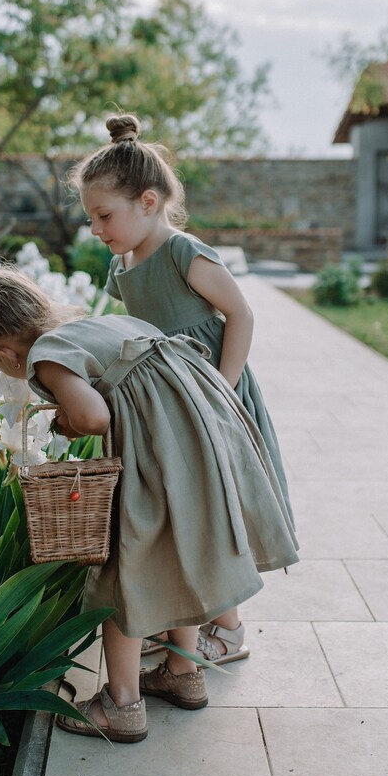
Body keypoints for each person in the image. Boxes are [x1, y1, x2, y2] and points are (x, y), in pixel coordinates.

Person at [0, 257, 299, 744]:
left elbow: (92, 417)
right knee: (181, 559)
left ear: (5, 352)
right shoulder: (102, 324)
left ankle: (122, 703)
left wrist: (65, 422)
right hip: (199, 446)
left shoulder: (48, 355)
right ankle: (182, 671)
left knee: (122, 577)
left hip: (158, 460)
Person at [69, 112, 295, 665]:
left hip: (214, 396)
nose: (97, 229)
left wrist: (224, 389)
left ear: (148, 202)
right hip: (166, 402)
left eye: (104, 215)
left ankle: (229, 630)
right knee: (184, 509)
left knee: (218, 509)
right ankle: (181, 620)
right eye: (92, 218)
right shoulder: (125, 261)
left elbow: (239, 314)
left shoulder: (181, 253)